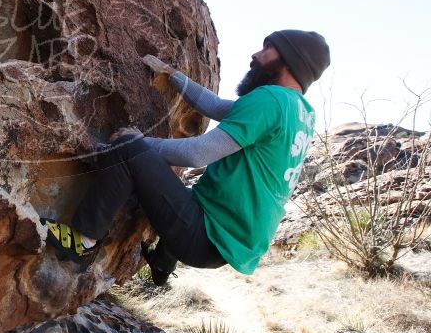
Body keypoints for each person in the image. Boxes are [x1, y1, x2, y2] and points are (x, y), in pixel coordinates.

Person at [41, 30, 331, 285]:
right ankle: (165, 258)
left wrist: (139, 141)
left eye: (268, 49)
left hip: (205, 234)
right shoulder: (300, 112)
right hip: (227, 241)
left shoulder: (270, 99)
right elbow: (217, 106)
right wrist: (175, 76)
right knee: (179, 186)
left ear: (291, 61)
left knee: (130, 152)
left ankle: (82, 241)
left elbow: (197, 154)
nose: (255, 54)